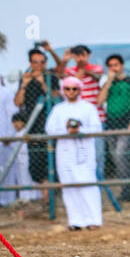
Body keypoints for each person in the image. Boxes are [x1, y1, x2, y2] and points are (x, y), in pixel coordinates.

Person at [44, 76, 103, 230]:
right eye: (67, 88)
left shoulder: (88, 107)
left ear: (79, 90)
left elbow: (97, 128)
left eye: (74, 88)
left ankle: (93, 220)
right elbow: (49, 129)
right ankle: (75, 221)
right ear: (63, 90)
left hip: (85, 153)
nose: (71, 91)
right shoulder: (58, 109)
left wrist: (79, 130)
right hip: (64, 153)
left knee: (88, 184)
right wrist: (66, 130)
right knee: (69, 185)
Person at [13, 45, 60, 200]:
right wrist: (25, 84)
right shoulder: (25, 78)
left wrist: (43, 83)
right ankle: (46, 198)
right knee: (36, 165)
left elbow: (56, 99)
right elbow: (18, 102)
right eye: (35, 62)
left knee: (51, 163)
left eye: (42, 62)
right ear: (30, 63)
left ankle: (49, 199)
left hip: (49, 126)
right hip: (33, 127)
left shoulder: (51, 78)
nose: (39, 66)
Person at [98, 54, 130, 202]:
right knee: (117, 159)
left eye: (116, 65)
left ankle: (127, 192)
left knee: (121, 155)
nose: (114, 68)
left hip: (126, 125)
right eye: (111, 66)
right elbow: (100, 101)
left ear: (122, 65)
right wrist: (109, 80)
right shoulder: (108, 84)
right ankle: (126, 191)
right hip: (111, 126)